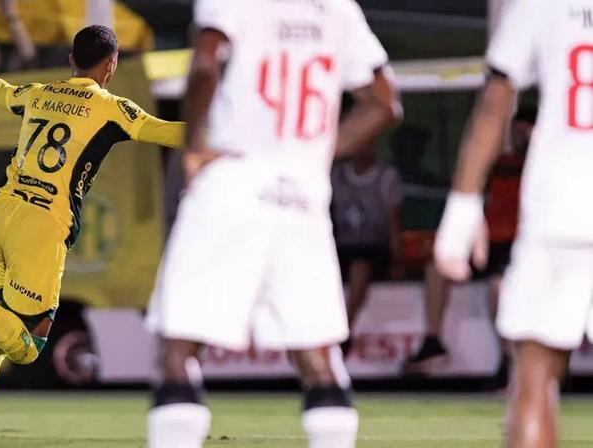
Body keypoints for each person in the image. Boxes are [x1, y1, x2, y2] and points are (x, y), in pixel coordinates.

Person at [144, 1, 401, 447]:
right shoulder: (340, 9)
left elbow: (206, 61)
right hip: (301, 191)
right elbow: (384, 103)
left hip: (234, 177)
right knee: (318, 354)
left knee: (179, 345)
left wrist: (193, 147)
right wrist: (316, 154)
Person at [0, 25, 185, 448]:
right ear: (112, 64)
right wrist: (231, 135)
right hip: (41, 225)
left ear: (70, 60)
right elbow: (165, 131)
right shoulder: (113, 107)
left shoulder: (38, 91)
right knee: (26, 346)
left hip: (0, 214)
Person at [433, 1, 593, 446]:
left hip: (564, 203)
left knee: (536, 375)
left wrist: (463, 203)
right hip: (561, 206)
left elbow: (497, 97)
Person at [403, 107, 535, 378]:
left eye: (527, 129)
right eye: (518, 129)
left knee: (499, 289)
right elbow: (474, 196)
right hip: (488, 243)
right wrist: (477, 237)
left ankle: (509, 363)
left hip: (521, 246)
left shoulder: (541, 165)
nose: (522, 135)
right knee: (436, 268)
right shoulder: (494, 163)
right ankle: (433, 341)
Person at [331, 140, 403, 354]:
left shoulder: (387, 177)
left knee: (360, 266)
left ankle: (344, 330)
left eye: (370, 144)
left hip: (373, 248)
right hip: (341, 247)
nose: (365, 148)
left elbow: (394, 221)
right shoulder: (335, 176)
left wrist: (397, 260)